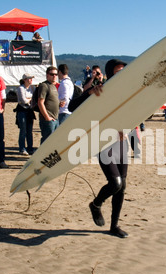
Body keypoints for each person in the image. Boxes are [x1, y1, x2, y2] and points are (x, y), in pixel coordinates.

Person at [69, 59, 129, 238]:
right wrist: (89, 93)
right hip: (101, 141)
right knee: (115, 183)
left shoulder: (128, 92)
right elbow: (71, 107)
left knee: (122, 186)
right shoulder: (100, 89)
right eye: (119, 71)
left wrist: (128, 128)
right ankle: (96, 204)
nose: (123, 74)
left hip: (121, 141)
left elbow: (138, 112)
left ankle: (114, 226)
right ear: (111, 73)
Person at [37, 66, 60, 144]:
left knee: (53, 141)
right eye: (52, 74)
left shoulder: (53, 86)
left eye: (56, 74)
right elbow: (40, 102)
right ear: (47, 75)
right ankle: (42, 156)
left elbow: (51, 101)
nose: (54, 76)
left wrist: (60, 104)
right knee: (47, 141)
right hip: (48, 119)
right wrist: (47, 117)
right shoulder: (44, 85)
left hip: (55, 118)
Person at [15, 73, 36, 156]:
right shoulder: (21, 88)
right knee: (23, 130)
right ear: (25, 80)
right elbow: (23, 100)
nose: (31, 80)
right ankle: (22, 148)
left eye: (31, 78)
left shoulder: (32, 88)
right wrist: (30, 100)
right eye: (29, 78)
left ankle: (30, 148)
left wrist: (29, 100)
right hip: (22, 110)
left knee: (29, 131)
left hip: (29, 110)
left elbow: (33, 99)